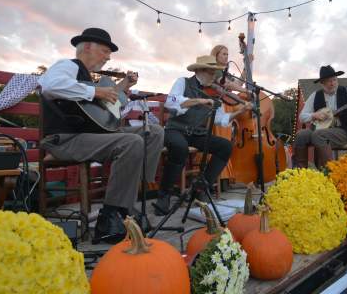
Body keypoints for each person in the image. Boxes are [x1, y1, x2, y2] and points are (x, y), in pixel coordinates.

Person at [38, 27, 164, 244]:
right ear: (87, 46)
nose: (108, 57)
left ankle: (136, 194)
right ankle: (110, 216)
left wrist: (123, 86)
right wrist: (95, 92)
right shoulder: (68, 66)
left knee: (153, 131)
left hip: (93, 135)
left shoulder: (90, 79)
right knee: (131, 142)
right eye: (105, 51)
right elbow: (49, 85)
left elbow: (107, 105)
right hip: (67, 139)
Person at [153, 55, 252, 215]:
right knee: (180, 147)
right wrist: (198, 101)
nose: (215, 76)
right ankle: (164, 195)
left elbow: (221, 119)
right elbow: (171, 102)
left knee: (225, 146)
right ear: (200, 70)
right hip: (175, 130)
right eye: (212, 72)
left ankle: (200, 189)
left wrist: (240, 111)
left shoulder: (214, 92)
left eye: (215, 73)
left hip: (197, 133)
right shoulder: (182, 82)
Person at [293, 65, 347, 169]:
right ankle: (301, 172)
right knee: (301, 135)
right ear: (322, 83)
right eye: (328, 81)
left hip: (344, 131)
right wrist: (314, 115)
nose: (332, 83)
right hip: (320, 130)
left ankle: (329, 171)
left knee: (319, 135)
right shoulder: (315, 96)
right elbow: (302, 117)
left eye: (334, 80)